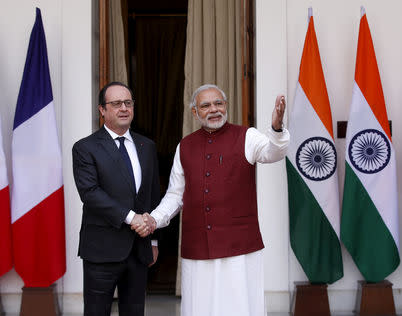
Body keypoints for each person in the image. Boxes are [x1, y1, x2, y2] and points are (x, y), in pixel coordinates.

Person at [134, 84, 289, 316]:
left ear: (226, 106)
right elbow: (176, 195)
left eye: (218, 103)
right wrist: (154, 219)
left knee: (239, 305)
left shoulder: (247, 136)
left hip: (239, 244)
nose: (214, 109)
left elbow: (273, 152)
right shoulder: (184, 146)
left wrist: (276, 128)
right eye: (205, 105)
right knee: (201, 305)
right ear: (195, 113)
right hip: (197, 243)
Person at [72, 82, 160, 316]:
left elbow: (152, 195)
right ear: (102, 110)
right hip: (102, 249)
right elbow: (90, 193)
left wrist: (153, 240)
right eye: (116, 103)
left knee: (134, 311)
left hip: (139, 249)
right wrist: (133, 219)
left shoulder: (147, 146)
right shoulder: (85, 148)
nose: (123, 108)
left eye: (128, 103)